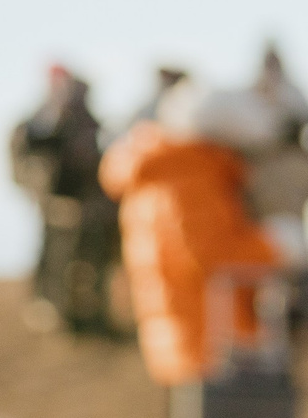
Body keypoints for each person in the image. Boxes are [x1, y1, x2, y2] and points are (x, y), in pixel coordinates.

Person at [102, 79, 284, 385]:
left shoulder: (164, 169)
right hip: (212, 342)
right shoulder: (190, 176)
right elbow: (214, 255)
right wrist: (278, 244)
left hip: (186, 337)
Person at [10, 64, 121, 335]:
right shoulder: (39, 125)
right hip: (57, 207)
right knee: (56, 259)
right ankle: (55, 312)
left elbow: (106, 163)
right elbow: (27, 163)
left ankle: (93, 314)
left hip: (93, 209)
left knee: (93, 261)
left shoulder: (93, 126)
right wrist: (48, 197)